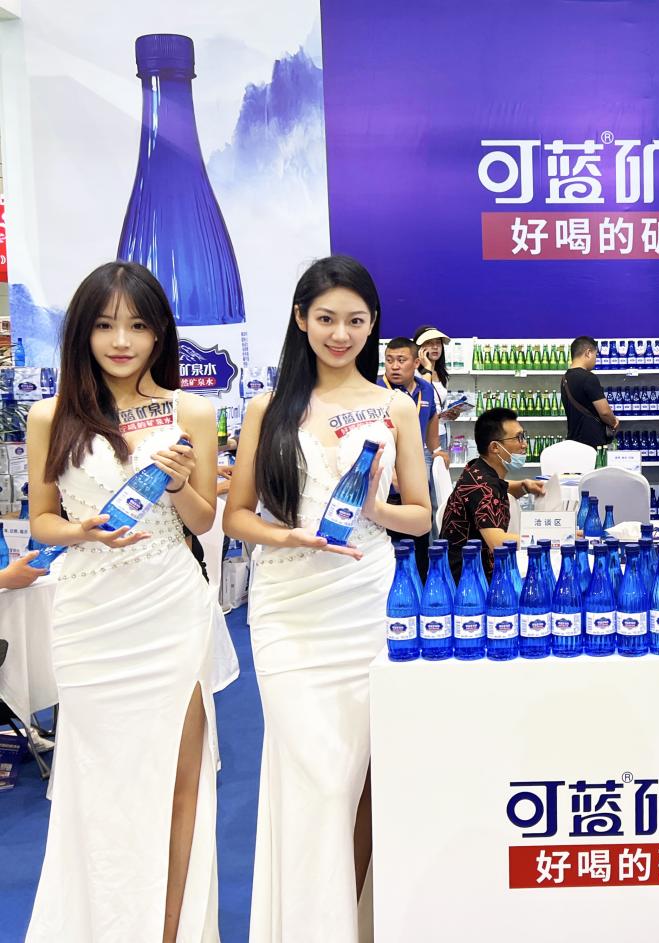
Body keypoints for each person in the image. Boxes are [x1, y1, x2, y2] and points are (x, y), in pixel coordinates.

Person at [224, 256, 431, 941]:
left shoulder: (395, 406)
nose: (340, 334)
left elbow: (421, 516)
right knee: (313, 775)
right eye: (326, 319)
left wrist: (376, 508)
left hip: (364, 602)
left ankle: (353, 922)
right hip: (288, 608)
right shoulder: (269, 407)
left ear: (373, 326)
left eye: (355, 320)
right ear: (300, 320)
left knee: (355, 777)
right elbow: (238, 516)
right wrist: (290, 536)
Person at [25, 261, 221, 942]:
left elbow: (203, 520)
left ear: (159, 333)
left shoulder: (190, 411)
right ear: (82, 331)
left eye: (137, 325)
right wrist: (82, 531)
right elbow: (42, 521)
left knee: (179, 778)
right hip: (91, 614)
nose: (121, 341)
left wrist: (180, 484)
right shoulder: (51, 415)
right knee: (98, 782)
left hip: (170, 607)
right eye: (106, 325)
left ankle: (169, 931)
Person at [440, 407, 545, 582]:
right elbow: (498, 542)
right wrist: (553, 536)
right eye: (518, 438)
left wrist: (524, 486)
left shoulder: (478, 470)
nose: (524, 444)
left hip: (470, 571)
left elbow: (498, 487)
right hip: (469, 582)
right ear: (495, 447)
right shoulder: (482, 487)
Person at [381, 336, 442, 577]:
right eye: (389, 360)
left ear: (416, 362)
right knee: (391, 554)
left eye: (401, 360)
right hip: (387, 485)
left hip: (416, 481)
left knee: (420, 549)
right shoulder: (376, 390)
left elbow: (432, 417)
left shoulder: (425, 389)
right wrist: (391, 472)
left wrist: (436, 450)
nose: (394, 366)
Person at [561, 335, 618, 447]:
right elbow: (605, 412)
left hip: (573, 441)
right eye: (595, 355)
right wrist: (614, 422)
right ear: (588, 353)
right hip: (592, 442)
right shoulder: (589, 378)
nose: (595, 360)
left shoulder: (565, 379)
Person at [414, 324, 459, 448]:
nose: (435, 347)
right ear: (420, 348)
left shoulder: (442, 374)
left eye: (438, 343)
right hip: (422, 436)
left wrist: (451, 414)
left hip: (441, 434)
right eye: (429, 343)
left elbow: (438, 406)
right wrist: (427, 368)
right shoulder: (414, 373)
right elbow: (424, 400)